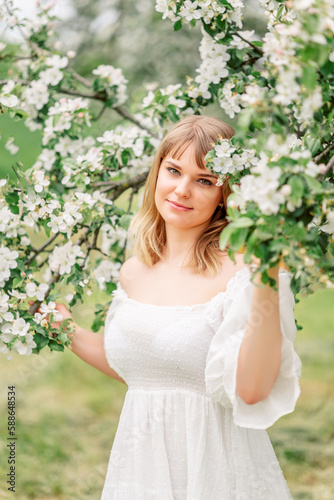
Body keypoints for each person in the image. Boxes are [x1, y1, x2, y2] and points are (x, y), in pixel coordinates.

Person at [56, 115, 302, 499]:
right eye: (173, 170)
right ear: (157, 173)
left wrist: (268, 273)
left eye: (204, 180)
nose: (182, 190)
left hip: (216, 472)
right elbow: (142, 368)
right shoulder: (134, 271)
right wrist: (63, 327)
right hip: (141, 473)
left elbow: (252, 390)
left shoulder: (247, 271)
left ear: (226, 194)